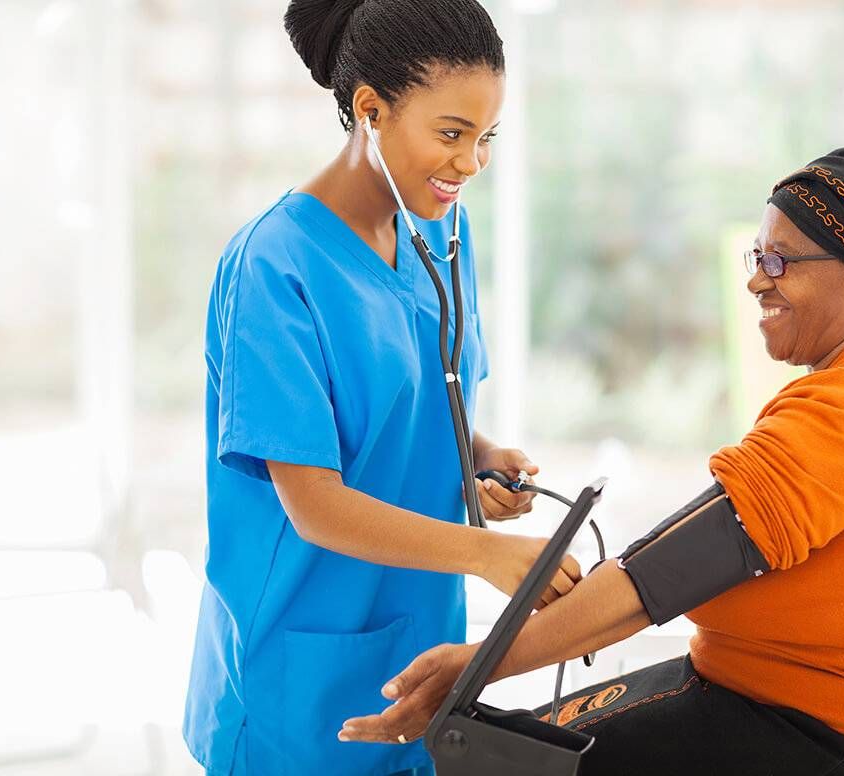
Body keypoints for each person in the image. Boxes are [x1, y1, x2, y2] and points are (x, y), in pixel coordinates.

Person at [339, 146, 844, 776]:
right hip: (788, 695)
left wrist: (476, 665)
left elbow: (662, 576)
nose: (755, 280)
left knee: (491, 756)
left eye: (782, 262)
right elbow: (673, 557)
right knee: (509, 740)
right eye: (758, 254)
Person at [182, 1, 582, 774]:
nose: (471, 164)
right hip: (295, 673)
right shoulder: (273, 267)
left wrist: (482, 458)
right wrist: (488, 556)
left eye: (486, 137)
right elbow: (314, 503)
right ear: (370, 109)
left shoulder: (437, 231)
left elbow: (433, 407)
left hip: (417, 643)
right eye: (451, 134)